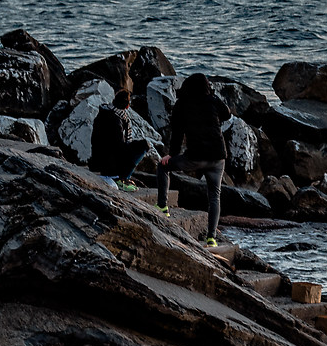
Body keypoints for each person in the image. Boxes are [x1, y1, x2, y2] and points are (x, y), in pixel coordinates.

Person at [160, 72, 228, 244]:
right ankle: (211, 237)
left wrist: (172, 154)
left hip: (195, 157)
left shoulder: (182, 104)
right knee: (214, 196)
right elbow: (226, 114)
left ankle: (162, 206)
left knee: (162, 166)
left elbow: (177, 133)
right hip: (217, 156)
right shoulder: (212, 101)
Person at [89, 86, 146, 182]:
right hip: (109, 164)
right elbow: (119, 147)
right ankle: (123, 177)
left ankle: (120, 175)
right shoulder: (116, 120)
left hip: (97, 159)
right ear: (127, 106)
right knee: (144, 145)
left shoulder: (104, 112)